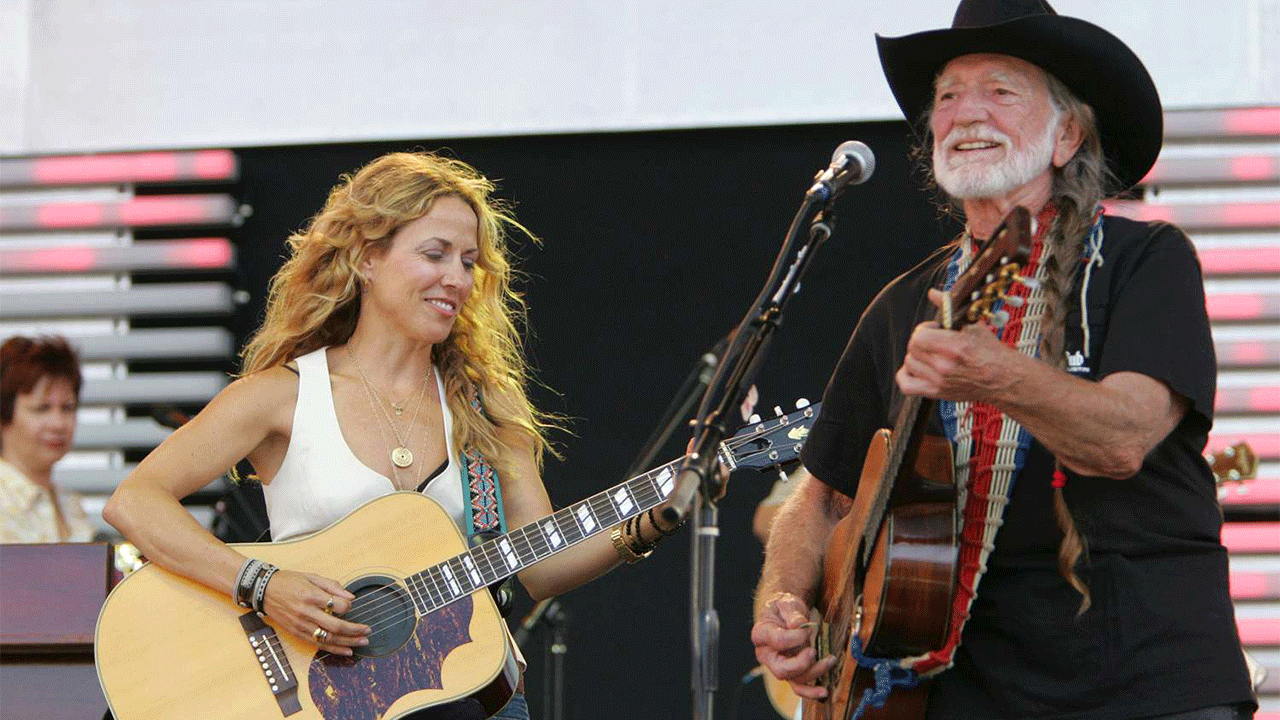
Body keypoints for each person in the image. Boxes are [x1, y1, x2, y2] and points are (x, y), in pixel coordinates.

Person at [751, 1, 1256, 718]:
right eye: (948, 96)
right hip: (959, 692)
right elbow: (821, 496)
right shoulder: (899, 307)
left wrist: (997, 377)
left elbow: (1123, 440)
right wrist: (786, 602)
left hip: (1141, 686)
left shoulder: (1145, 262)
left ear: (1067, 135)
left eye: (1000, 90)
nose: (965, 113)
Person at [103, 151, 680, 720]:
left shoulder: (484, 409)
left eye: (468, 262)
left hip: (464, 699)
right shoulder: (281, 395)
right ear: (367, 258)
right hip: (317, 698)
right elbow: (135, 502)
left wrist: (655, 517)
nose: (456, 278)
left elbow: (540, 566)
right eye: (435, 254)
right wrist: (263, 584)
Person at [0, 335, 94, 543]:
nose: (58, 424)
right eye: (41, 409)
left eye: (67, 408)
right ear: (4, 414)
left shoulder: (69, 503)